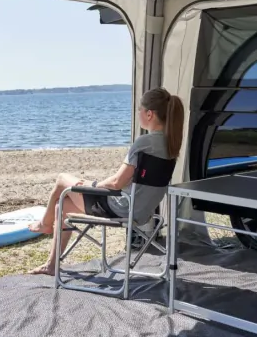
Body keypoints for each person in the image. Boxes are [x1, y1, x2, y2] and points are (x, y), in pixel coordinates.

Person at [27, 87, 185, 276]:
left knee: (62, 180)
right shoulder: (171, 143)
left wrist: (93, 185)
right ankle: (51, 265)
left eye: (140, 110)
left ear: (149, 114)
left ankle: (44, 224)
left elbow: (117, 182)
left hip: (121, 207)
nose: (138, 113)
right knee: (63, 207)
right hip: (144, 211)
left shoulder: (144, 142)